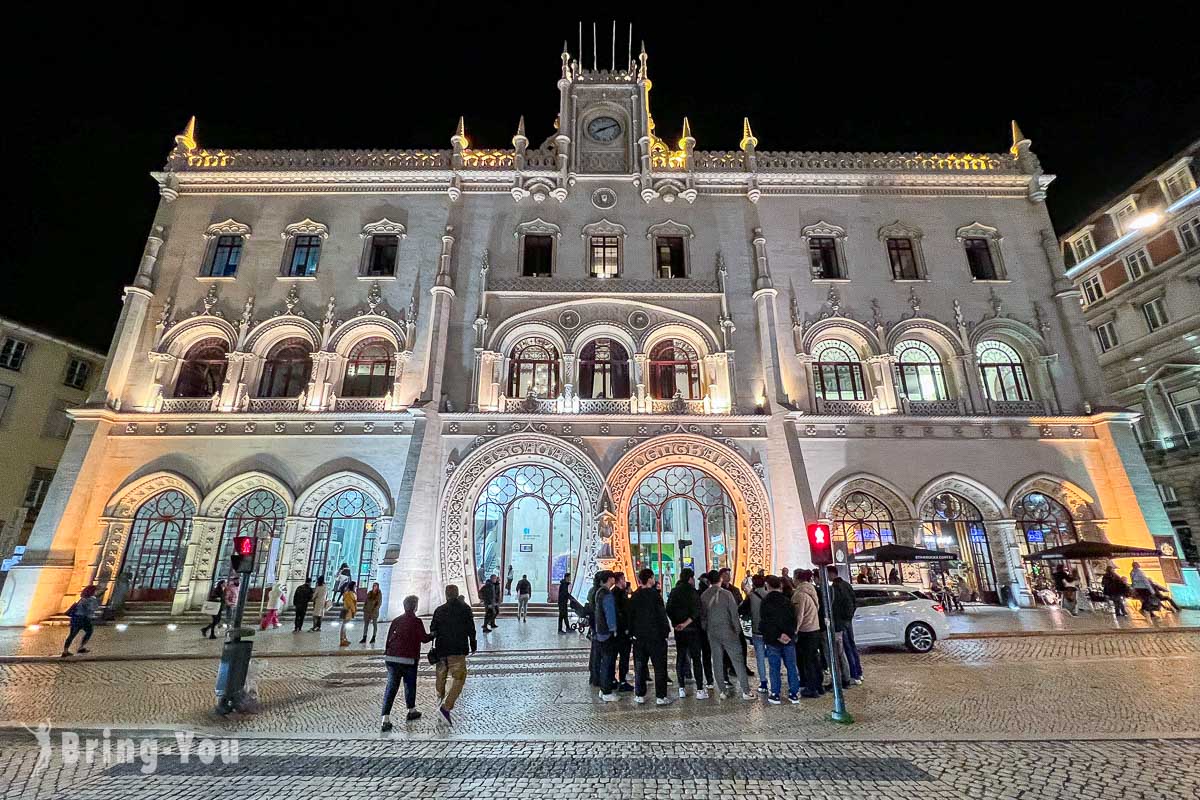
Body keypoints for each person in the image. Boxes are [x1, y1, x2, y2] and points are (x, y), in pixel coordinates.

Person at [381, 594, 433, 730]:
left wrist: (387, 652)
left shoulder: (396, 620)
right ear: (415, 607)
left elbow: (388, 638)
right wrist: (434, 634)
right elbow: (424, 638)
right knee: (410, 685)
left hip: (392, 658)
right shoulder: (416, 622)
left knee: (391, 687)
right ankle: (411, 710)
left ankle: (385, 718)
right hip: (409, 659)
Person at [701, 570, 754, 700]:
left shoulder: (704, 596)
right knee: (737, 660)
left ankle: (723, 691)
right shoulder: (727, 594)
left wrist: (706, 629)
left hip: (712, 632)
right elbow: (734, 614)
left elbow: (703, 616)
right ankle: (746, 691)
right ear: (720, 579)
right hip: (728, 630)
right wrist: (737, 630)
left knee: (717, 660)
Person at [429, 584, 478, 725]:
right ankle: (446, 706)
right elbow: (471, 628)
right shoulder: (465, 609)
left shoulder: (439, 610)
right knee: (459, 678)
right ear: (457, 594)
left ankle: (440, 697)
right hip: (457, 650)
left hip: (441, 650)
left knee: (441, 676)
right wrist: (473, 643)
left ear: (446, 595)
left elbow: (433, 629)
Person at [628, 567, 672, 705]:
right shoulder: (655, 596)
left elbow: (630, 617)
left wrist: (632, 633)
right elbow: (661, 615)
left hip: (639, 638)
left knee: (640, 666)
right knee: (659, 667)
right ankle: (660, 696)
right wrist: (665, 632)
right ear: (650, 579)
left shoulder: (635, 595)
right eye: (653, 578)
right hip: (656, 637)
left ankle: (640, 694)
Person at [666, 567, 708, 699]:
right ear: (690, 579)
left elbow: (668, 608)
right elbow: (696, 611)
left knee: (681, 657)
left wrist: (676, 624)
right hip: (693, 630)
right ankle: (700, 689)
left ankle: (681, 688)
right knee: (696, 658)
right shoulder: (693, 593)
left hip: (680, 631)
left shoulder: (674, 592)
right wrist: (686, 623)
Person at [759, 575, 800, 704]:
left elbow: (766, 622)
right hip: (788, 640)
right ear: (780, 585)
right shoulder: (787, 600)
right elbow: (794, 619)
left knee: (774, 667)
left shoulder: (765, 602)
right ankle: (794, 694)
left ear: (768, 586)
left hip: (773, 640)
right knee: (791, 666)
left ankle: (775, 693)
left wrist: (777, 635)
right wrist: (788, 634)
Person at [827, 565, 862, 687]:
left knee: (846, 649)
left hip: (841, 621)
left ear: (832, 574)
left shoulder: (836, 588)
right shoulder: (847, 585)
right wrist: (850, 616)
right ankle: (859, 672)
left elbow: (836, 605)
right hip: (848, 620)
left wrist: (840, 619)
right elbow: (854, 601)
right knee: (852, 646)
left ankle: (854, 675)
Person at [791, 569, 823, 698]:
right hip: (815, 628)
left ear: (797, 578)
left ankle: (811, 687)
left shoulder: (800, 594)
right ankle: (818, 685)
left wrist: (795, 631)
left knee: (807, 660)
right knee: (814, 659)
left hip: (805, 630)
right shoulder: (811, 590)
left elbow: (798, 615)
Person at [739, 573, 769, 693]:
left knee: (760, 657)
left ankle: (763, 682)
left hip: (757, 630)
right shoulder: (769, 595)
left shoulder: (751, 597)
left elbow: (741, 609)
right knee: (773, 657)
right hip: (770, 631)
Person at [593, 570, 620, 701]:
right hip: (607, 633)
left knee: (604, 661)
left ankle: (603, 689)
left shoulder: (598, 592)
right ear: (610, 579)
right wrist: (613, 629)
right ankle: (606, 692)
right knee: (608, 662)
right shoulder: (607, 595)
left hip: (599, 631)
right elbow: (610, 614)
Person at [61, 586, 100, 657]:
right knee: (89, 631)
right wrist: (96, 601)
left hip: (76, 617)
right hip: (83, 618)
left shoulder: (83, 598)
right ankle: (80, 647)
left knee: (72, 634)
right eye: (96, 591)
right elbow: (92, 608)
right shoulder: (91, 599)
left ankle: (65, 650)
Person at [612, 572, 634, 692]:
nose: (625, 581)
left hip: (618, 631)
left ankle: (615, 679)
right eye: (624, 579)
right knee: (624, 657)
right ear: (620, 580)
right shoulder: (619, 594)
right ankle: (622, 681)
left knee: (617, 656)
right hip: (622, 631)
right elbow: (624, 612)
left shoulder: (614, 592)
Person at [339, 581, 358, 647]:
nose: (356, 586)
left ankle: (344, 638)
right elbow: (350, 603)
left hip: (348, 610)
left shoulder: (350, 593)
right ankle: (342, 639)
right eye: (355, 585)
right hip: (348, 611)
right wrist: (353, 610)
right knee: (344, 625)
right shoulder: (349, 594)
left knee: (345, 625)